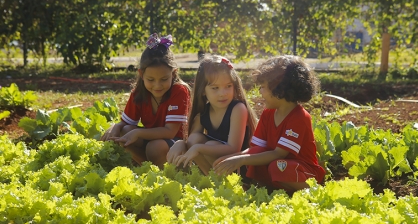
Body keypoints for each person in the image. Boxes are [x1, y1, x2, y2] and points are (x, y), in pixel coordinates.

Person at [213, 55, 326, 192]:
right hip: (279, 166)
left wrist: (241, 160)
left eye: (263, 87)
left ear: (281, 89)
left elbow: (279, 154)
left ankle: (310, 192)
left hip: (303, 172)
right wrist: (233, 157)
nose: (260, 92)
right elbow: (257, 149)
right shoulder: (268, 114)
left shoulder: (299, 117)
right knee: (255, 159)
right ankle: (266, 191)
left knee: (276, 166)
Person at [101, 33, 191, 168]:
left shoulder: (179, 91)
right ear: (141, 74)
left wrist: (138, 133)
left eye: (164, 79)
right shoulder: (139, 93)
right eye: (151, 80)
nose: (157, 85)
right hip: (151, 139)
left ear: (173, 74)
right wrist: (115, 127)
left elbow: (170, 131)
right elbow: (126, 123)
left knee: (155, 148)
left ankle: (157, 169)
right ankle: (146, 167)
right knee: (123, 132)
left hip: (177, 143)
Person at [167, 55, 257, 176]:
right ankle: (212, 180)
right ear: (203, 90)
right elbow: (191, 142)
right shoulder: (203, 113)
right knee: (194, 139)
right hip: (216, 166)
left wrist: (199, 148)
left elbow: (233, 148)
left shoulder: (238, 109)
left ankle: (226, 184)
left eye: (228, 86)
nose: (222, 93)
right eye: (215, 88)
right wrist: (180, 144)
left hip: (240, 166)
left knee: (207, 145)